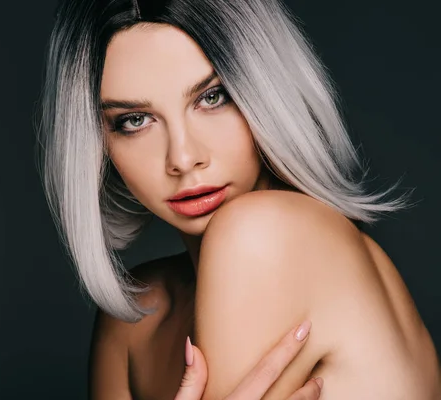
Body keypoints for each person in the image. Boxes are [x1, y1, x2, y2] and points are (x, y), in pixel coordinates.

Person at [37, 0, 441, 398]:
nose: (182, 158)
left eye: (212, 97)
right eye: (134, 120)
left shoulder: (263, 234)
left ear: (264, 92)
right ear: (97, 142)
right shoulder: (134, 320)